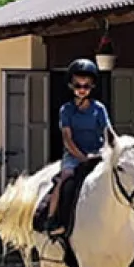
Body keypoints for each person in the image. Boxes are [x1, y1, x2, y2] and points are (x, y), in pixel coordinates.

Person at [43, 58, 110, 239]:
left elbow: (107, 134)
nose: (82, 89)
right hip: (74, 155)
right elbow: (67, 139)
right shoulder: (66, 110)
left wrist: (104, 153)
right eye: (78, 85)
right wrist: (82, 158)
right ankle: (53, 219)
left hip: (97, 154)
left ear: (92, 86)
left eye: (86, 86)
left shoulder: (99, 109)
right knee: (65, 179)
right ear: (71, 86)